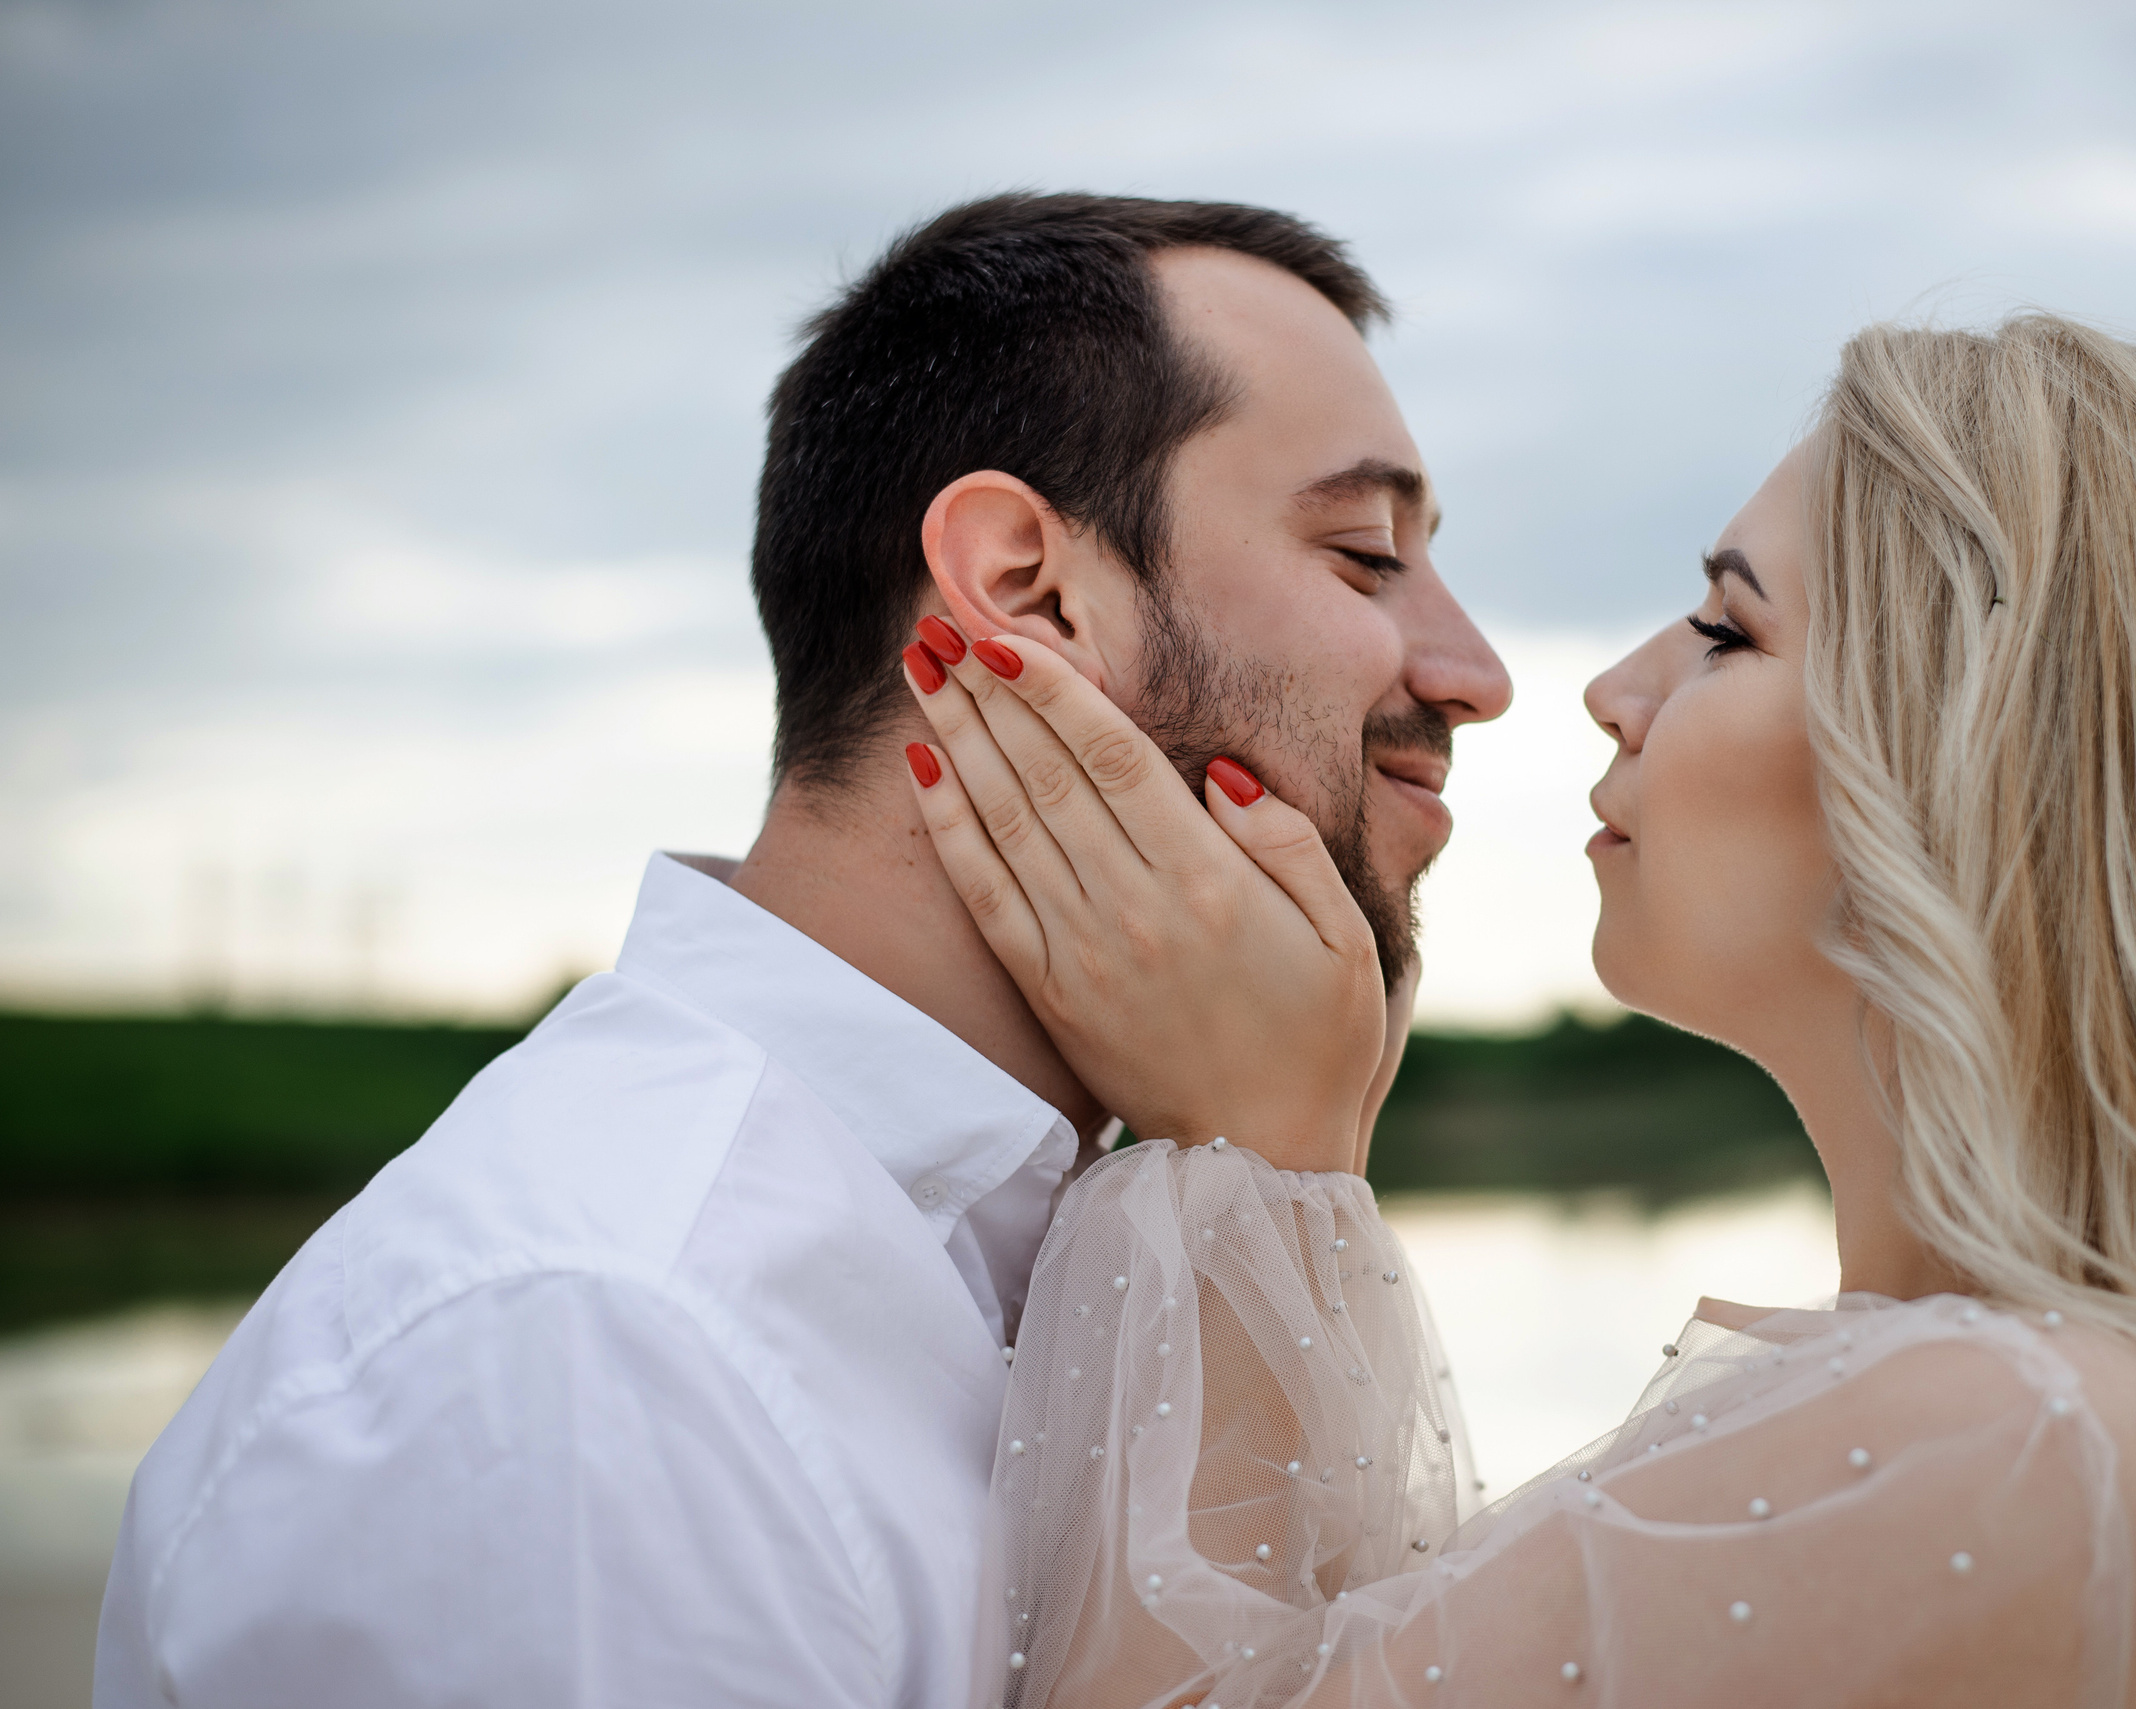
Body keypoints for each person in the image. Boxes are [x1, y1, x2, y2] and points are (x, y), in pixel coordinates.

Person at [901, 315, 2136, 1706]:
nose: (1613, 688)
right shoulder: (2097, 1413)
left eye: (1724, 628)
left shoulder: (2030, 1438)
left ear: (1983, 771)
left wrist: (1241, 1148)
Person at [92, 193, 1508, 1707]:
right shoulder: (600, 1354)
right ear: (1027, 586)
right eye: (1365, 553)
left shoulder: (1079, 1238)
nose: (1476, 673)